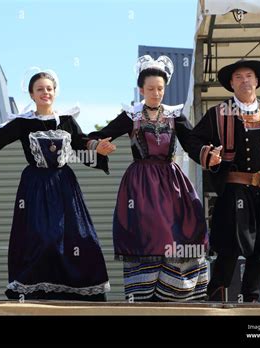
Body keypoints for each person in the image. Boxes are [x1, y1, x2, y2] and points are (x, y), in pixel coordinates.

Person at [0, 71, 112, 301]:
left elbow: (81, 142)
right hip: (35, 187)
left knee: (77, 236)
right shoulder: (22, 123)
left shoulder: (67, 120)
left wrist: (97, 147)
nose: (45, 92)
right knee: (41, 238)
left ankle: (77, 288)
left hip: (64, 185)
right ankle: (36, 289)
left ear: (55, 92)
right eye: (40, 89)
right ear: (32, 94)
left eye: (49, 88)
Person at [87, 55, 208, 302]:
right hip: (141, 186)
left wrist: (209, 155)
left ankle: (175, 293)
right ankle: (144, 296)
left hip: (173, 184)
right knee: (148, 235)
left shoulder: (176, 116)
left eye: (160, 89)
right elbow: (98, 135)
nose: (156, 93)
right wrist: (98, 146)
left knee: (180, 232)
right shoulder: (130, 116)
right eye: (150, 88)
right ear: (141, 89)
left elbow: (193, 145)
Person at [187, 59, 260, 302]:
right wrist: (209, 155)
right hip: (234, 190)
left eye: (249, 76)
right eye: (238, 77)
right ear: (231, 84)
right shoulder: (219, 113)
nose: (245, 80)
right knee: (229, 244)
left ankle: (252, 300)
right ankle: (216, 297)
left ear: (256, 81)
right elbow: (193, 140)